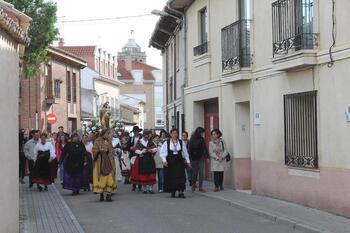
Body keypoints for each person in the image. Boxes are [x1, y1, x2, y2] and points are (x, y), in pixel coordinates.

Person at [160, 129, 191, 198]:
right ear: (171, 134)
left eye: (176, 133)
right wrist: (164, 160)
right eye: (173, 133)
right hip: (170, 162)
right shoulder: (167, 142)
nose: (175, 135)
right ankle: (172, 191)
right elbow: (162, 152)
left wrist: (188, 161)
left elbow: (185, 153)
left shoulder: (181, 142)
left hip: (179, 162)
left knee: (180, 177)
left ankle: (180, 192)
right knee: (171, 177)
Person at [92, 129, 117, 202]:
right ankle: (101, 194)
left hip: (109, 163)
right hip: (100, 163)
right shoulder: (97, 141)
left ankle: (109, 195)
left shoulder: (109, 141)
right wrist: (101, 150)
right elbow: (94, 151)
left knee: (110, 179)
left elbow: (112, 150)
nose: (107, 135)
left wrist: (109, 150)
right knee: (102, 179)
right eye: (106, 133)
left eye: (108, 133)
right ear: (103, 134)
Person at [130, 129, 157, 194]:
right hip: (142, 160)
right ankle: (144, 188)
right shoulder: (139, 142)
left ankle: (150, 188)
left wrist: (151, 150)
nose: (147, 137)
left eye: (148, 135)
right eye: (145, 135)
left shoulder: (150, 142)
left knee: (151, 173)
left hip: (150, 160)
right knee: (143, 174)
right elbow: (135, 149)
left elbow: (155, 148)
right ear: (143, 135)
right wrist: (142, 151)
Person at [188, 127, 209, 193]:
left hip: (201, 158)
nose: (203, 134)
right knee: (195, 173)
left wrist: (207, 157)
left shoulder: (202, 139)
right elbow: (189, 149)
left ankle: (200, 187)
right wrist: (190, 158)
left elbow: (205, 148)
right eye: (202, 132)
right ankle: (194, 184)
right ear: (199, 132)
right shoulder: (192, 139)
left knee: (201, 172)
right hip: (194, 158)